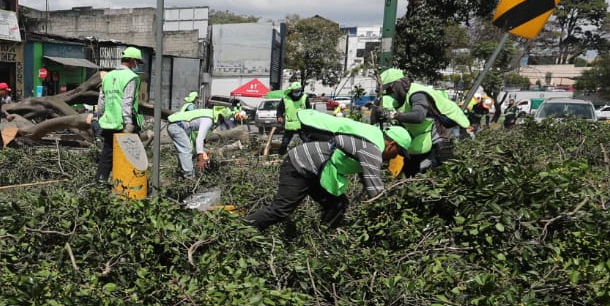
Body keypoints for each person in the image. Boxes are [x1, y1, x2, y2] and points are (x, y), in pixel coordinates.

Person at [246, 108, 410, 236]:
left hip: (315, 168)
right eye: (397, 152)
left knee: (337, 204)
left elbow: (366, 179)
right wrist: (390, 216)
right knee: (281, 210)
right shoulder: (373, 150)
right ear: (392, 144)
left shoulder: (372, 140)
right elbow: (375, 192)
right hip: (300, 164)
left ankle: (323, 236)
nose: (395, 157)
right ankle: (244, 229)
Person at [374, 67, 471, 176]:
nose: (389, 93)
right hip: (422, 131)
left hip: (444, 122)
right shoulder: (396, 99)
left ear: (399, 84)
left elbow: (419, 116)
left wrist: (393, 115)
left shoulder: (417, 94)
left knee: (438, 162)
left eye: (390, 89)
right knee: (411, 165)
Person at [90, 48, 143, 185]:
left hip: (108, 123)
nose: (136, 65)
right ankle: (132, 186)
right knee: (134, 156)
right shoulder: (131, 77)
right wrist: (128, 123)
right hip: (123, 124)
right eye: (136, 62)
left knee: (107, 154)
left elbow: (101, 100)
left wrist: (98, 117)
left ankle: (100, 183)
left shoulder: (107, 76)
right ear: (132, 61)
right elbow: (127, 101)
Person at [165, 103, 220, 179]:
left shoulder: (208, 115)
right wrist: (201, 157)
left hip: (177, 126)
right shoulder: (209, 120)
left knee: (185, 150)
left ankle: (181, 173)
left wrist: (201, 151)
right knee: (187, 149)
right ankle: (189, 177)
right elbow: (199, 139)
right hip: (176, 126)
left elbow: (200, 138)